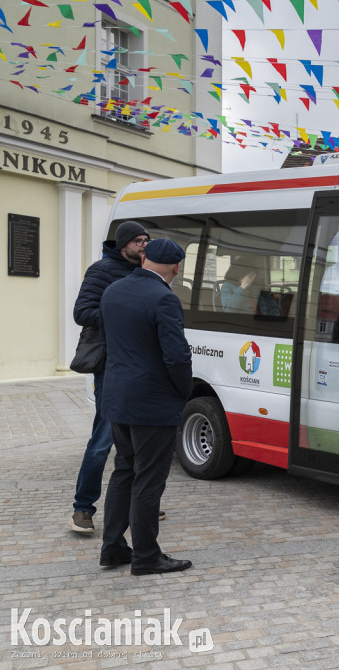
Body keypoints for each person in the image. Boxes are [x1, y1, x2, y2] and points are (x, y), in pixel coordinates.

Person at [98, 239, 193, 575]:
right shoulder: (165, 299)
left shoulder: (113, 291)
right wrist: (184, 392)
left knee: (124, 471)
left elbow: (111, 344)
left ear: (144, 258)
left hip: (117, 397)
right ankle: (146, 556)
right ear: (177, 267)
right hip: (152, 402)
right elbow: (177, 356)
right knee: (149, 480)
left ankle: (112, 548)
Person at [69, 221, 149, 535]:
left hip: (141, 366)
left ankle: (139, 504)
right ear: (124, 244)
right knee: (103, 440)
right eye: (139, 240)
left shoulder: (145, 272)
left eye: (147, 240)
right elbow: (82, 312)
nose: (144, 245)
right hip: (111, 366)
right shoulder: (101, 271)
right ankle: (82, 509)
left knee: (139, 441)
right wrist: (122, 311)